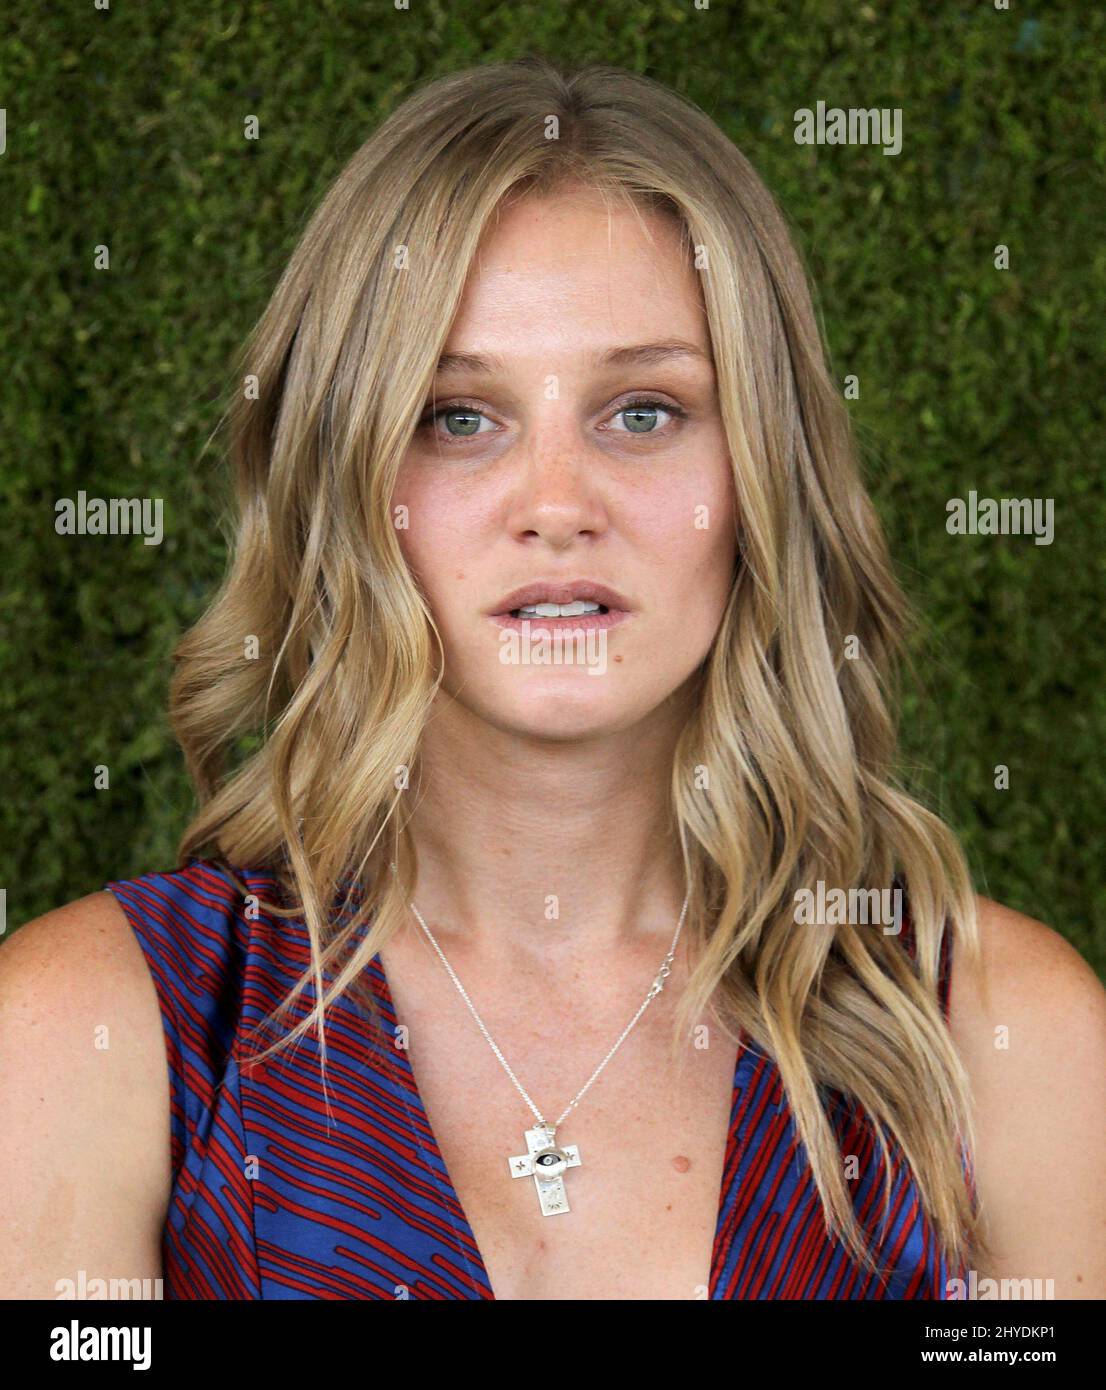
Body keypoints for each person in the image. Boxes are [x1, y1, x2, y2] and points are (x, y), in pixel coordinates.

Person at [2, 57, 1103, 1302]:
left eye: (641, 411)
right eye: (457, 416)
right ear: (340, 479)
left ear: (764, 472)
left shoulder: (997, 1033)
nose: (558, 505)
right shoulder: (90, 1030)